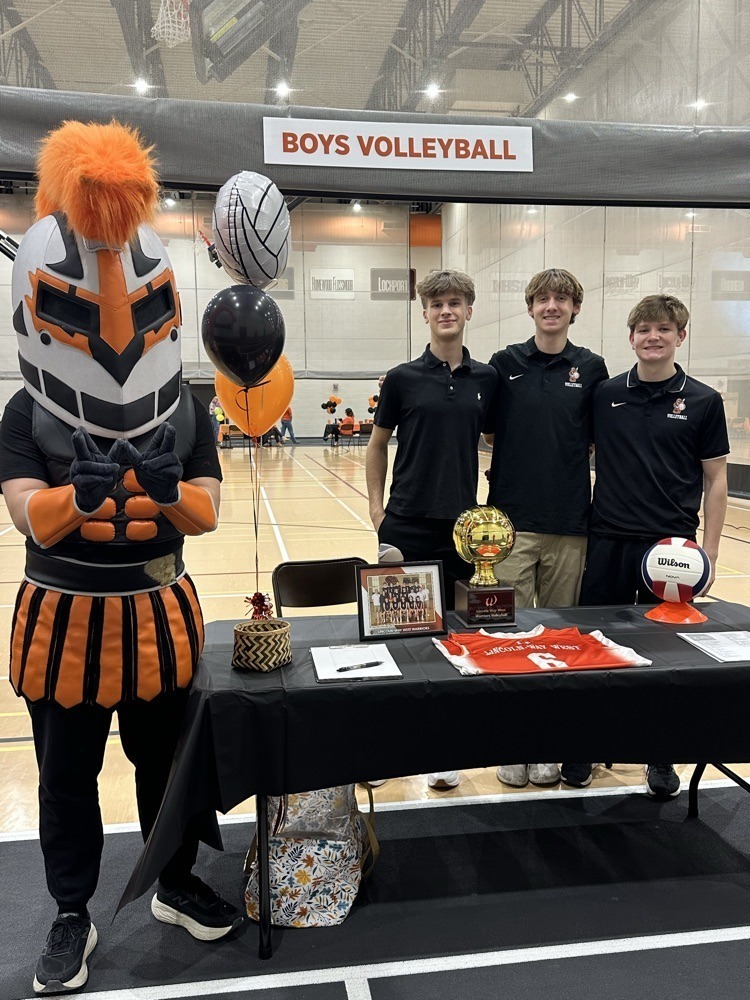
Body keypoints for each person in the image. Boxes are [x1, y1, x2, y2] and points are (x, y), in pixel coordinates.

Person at [0, 121, 241, 997]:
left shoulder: (185, 408)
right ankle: (72, 908)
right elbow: (27, 513)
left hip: (158, 613)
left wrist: (166, 491)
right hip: (63, 622)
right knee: (66, 776)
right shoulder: (25, 415)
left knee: (170, 767)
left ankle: (173, 878)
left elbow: (207, 511)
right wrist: (77, 500)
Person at [571, 294, 729, 798]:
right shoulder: (605, 394)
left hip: (672, 551)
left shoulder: (704, 401)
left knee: (665, 662)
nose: (653, 337)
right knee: (593, 651)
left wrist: (711, 549)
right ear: (631, 337)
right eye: (643, 329)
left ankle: (659, 757)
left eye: (663, 329)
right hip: (609, 539)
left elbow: (716, 480)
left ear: (681, 336)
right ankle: (584, 745)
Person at [366, 268, 498, 790]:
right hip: (405, 527)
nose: (447, 311)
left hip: (464, 534)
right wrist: (377, 512)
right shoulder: (401, 378)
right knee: (398, 642)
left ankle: (444, 752)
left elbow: (499, 441)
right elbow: (377, 446)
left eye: (456, 303)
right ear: (425, 313)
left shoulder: (487, 380)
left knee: (456, 641)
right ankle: (386, 750)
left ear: (469, 311)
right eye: (437, 303)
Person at [482, 268, 609, 790]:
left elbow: (601, 438)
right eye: (543, 298)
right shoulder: (503, 364)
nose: (552, 306)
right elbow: (485, 428)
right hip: (508, 527)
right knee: (508, 636)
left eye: (562, 299)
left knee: (560, 638)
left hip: (570, 524)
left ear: (574, 308)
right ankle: (514, 744)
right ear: (529, 307)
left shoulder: (592, 368)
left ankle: (552, 742)